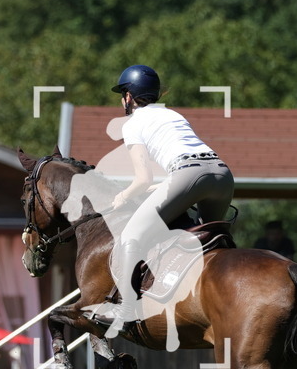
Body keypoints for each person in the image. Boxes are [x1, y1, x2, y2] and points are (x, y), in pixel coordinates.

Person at [93, 64, 235, 332]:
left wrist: (123, 196)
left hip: (188, 175)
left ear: (129, 96)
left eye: (122, 94)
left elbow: (143, 179)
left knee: (130, 236)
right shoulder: (173, 115)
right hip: (222, 174)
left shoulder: (132, 124)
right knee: (210, 239)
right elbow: (173, 178)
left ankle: (126, 311)